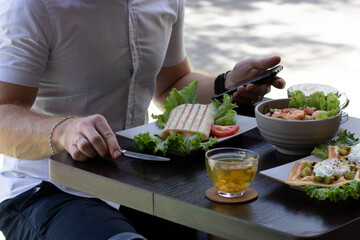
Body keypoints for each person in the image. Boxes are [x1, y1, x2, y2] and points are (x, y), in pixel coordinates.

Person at [0, 0, 285, 240]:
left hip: (136, 179)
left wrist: (228, 84)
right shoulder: (31, 5)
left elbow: (172, 84)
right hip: (46, 188)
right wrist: (63, 130)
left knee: (238, 230)